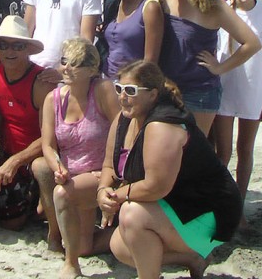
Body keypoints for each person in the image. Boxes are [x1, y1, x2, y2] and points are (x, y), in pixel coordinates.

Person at [98, 61, 241, 279]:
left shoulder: (163, 125)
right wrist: (102, 192)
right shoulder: (124, 118)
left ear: (153, 95)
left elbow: (156, 186)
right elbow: (109, 164)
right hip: (174, 203)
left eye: (130, 91)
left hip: (208, 211)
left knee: (131, 214)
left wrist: (116, 198)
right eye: (119, 88)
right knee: (119, 247)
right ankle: (192, 259)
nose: (122, 97)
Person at [155, 0, 260, 134]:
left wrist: (220, 68)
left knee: (193, 150)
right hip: (166, 86)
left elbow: (252, 43)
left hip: (199, 92)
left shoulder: (212, 3)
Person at [40, 39, 118, 277]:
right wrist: (57, 166)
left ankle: (70, 265)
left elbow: (123, 131)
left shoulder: (103, 90)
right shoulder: (52, 99)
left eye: (75, 64)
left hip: (100, 173)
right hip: (74, 175)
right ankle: (123, 235)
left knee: (61, 193)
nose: (67, 69)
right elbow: (47, 144)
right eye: (64, 62)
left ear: (92, 69)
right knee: (84, 246)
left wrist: (108, 171)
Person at [212, 0, 262, 224]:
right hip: (226, 85)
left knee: (246, 149)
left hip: (254, 85)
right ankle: (221, 202)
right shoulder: (222, 10)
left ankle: (239, 203)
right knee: (223, 151)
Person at [0, 15, 57, 230]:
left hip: (33, 157)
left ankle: (44, 209)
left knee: (40, 169)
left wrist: (15, 161)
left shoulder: (42, 83)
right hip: (5, 155)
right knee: (10, 223)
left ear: (27, 49)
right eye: (4, 45)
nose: (10, 51)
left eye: (18, 45)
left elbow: (50, 137)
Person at [102, 0, 164, 79]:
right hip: (107, 81)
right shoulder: (114, 4)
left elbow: (150, 61)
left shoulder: (150, 7)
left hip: (132, 85)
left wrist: (133, 87)